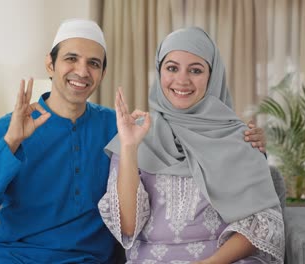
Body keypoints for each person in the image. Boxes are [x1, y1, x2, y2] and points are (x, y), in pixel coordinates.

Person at [0, 19, 268, 263]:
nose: (82, 71)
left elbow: (189, 132)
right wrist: (11, 142)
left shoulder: (118, 126)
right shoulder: (8, 127)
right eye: (71, 59)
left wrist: (247, 140)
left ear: (102, 73)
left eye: (94, 63)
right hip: (10, 256)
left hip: (86, 259)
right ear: (50, 65)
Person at [99, 27, 284, 263]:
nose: (182, 80)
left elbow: (261, 223)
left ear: (212, 76)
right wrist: (128, 147)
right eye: (172, 68)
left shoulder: (242, 138)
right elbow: (127, 227)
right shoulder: (135, 133)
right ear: (159, 71)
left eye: (195, 70)